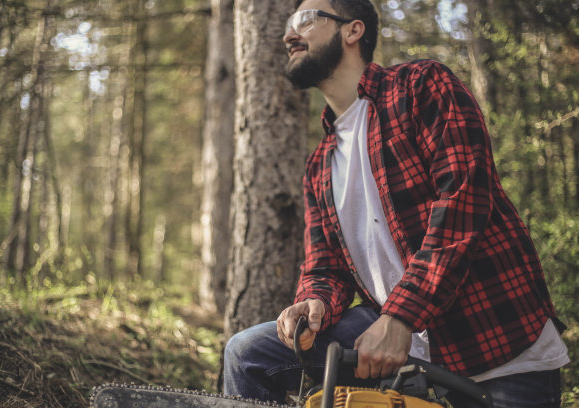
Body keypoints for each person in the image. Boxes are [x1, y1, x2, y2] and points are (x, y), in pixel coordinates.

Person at [223, 0, 570, 406]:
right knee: (249, 354)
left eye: (304, 20)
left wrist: (402, 315)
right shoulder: (320, 163)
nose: (288, 34)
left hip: (496, 348)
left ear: (352, 31)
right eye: (288, 24)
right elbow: (326, 267)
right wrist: (315, 300)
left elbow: (463, 203)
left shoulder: (422, 86)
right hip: (392, 347)